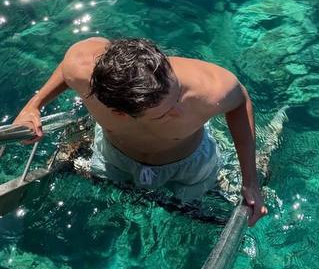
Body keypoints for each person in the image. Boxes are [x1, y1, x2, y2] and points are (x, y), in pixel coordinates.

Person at [11, 36, 267, 223]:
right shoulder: (81, 66)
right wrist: (33, 106)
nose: (179, 110)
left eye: (176, 93)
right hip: (116, 154)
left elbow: (241, 102)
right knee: (110, 186)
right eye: (166, 112)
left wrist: (250, 181)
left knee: (191, 204)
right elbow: (67, 71)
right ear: (121, 113)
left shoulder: (210, 87)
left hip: (188, 165)